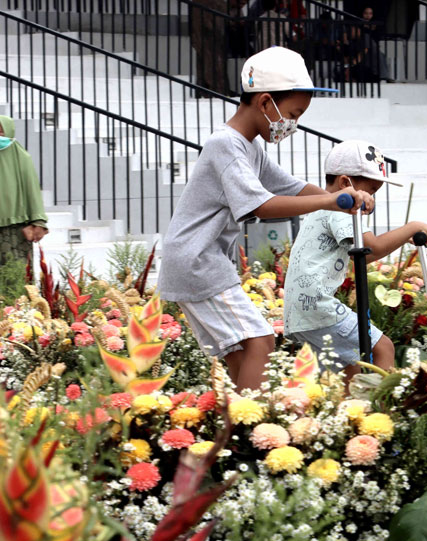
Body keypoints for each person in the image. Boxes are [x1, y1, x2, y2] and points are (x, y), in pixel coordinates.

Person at [157, 46, 373, 392]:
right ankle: (254, 427)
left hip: (202, 260)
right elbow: (262, 205)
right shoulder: (225, 145)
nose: (294, 124)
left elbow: (292, 187)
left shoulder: (249, 145)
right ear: (265, 103)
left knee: (242, 354)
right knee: (261, 340)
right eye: (294, 113)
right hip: (198, 261)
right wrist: (334, 199)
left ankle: (239, 432)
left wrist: (343, 202)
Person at [283, 140, 427, 379]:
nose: (372, 197)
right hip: (317, 306)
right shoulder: (341, 207)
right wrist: (412, 227)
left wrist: (401, 237)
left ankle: (351, 414)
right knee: (383, 348)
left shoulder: (324, 207)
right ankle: (378, 408)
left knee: (349, 369)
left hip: (302, 310)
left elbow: (362, 253)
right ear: (345, 183)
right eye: (371, 191)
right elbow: (371, 251)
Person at [0, 113, 48, 299]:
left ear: (9, 131)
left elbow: (32, 189)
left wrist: (37, 220)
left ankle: (17, 323)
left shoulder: (22, 157)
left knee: (16, 279)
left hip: (16, 230)